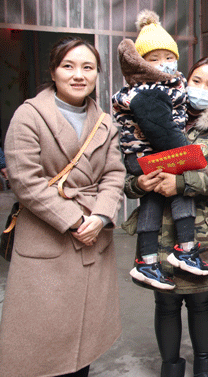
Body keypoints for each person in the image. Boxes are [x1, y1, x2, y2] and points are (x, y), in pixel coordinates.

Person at [0, 37, 126, 377]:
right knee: (41, 342)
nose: (78, 75)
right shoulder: (29, 116)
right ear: (53, 71)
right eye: (68, 66)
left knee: (84, 340)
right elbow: (25, 180)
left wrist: (100, 216)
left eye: (88, 67)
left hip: (93, 236)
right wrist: (74, 220)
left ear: (97, 74)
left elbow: (114, 173)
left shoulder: (104, 122)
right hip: (48, 236)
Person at [122, 56, 208, 377]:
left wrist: (181, 183)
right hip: (159, 231)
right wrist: (138, 184)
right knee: (165, 303)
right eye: (196, 81)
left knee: (201, 300)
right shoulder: (159, 114)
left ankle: (204, 365)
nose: (201, 88)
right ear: (183, 81)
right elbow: (126, 172)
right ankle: (170, 367)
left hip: (204, 233)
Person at [113, 9, 208, 290]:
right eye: (153, 59)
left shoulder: (165, 84)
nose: (163, 64)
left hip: (143, 155)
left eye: (168, 57)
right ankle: (186, 249)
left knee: (151, 200)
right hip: (148, 152)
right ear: (140, 63)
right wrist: (188, 155)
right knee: (180, 183)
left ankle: (146, 261)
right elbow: (162, 131)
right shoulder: (148, 90)